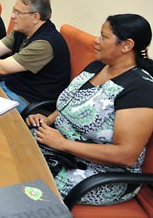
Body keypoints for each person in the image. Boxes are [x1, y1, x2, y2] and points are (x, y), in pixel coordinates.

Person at [26, 14, 153, 205]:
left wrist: (63, 144)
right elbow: (70, 104)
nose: (96, 40)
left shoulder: (140, 88)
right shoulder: (97, 66)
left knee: (26, 182)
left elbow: (126, 155)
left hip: (101, 174)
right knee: (12, 148)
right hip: (59, 148)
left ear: (126, 45)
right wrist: (46, 120)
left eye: (104, 37)